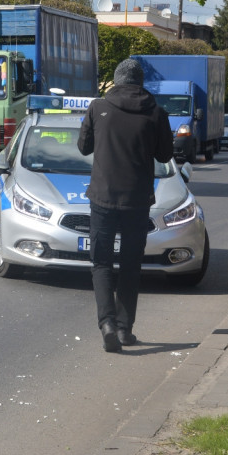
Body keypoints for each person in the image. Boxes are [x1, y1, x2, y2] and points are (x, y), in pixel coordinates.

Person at [77, 58, 174, 353]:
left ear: (117, 81)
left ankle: (106, 323)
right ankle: (124, 329)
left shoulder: (97, 107)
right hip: (137, 200)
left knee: (101, 262)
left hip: (102, 199)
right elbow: (165, 153)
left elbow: (83, 147)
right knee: (131, 265)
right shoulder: (156, 112)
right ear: (140, 82)